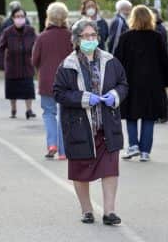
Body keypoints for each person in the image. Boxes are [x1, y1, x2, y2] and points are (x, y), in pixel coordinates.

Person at [53, 19, 128, 225]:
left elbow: (123, 84)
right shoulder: (67, 65)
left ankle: (109, 212)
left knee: (110, 168)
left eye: (93, 35)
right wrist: (84, 98)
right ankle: (87, 210)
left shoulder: (110, 61)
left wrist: (115, 95)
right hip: (80, 127)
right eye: (86, 36)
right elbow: (59, 93)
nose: (90, 39)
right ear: (77, 40)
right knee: (80, 169)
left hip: (107, 126)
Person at [114, 5, 168, 161]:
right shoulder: (157, 38)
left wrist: (115, 81)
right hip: (153, 85)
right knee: (149, 117)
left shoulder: (125, 38)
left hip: (131, 83)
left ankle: (133, 145)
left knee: (131, 115)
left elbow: (117, 61)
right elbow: (165, 61)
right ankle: (145, 152)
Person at [32, 2, 72, 160]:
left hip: (47, 80)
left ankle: (52, 144)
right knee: (64, 114)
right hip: (66, 82)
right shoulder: (70, 36)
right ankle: (63, 151)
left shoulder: (42, 37)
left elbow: (34, 60)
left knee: (49, 113)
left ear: (49, 17)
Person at [0, 7, 37, 119]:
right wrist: (0, 62)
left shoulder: (31, 31)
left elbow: (37, 45)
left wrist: (36, 59)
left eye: (22, 16)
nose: (20, 19)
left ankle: (29, 110)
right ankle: (13, 109)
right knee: (12, 88)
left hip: (27, 64)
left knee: (28, 88)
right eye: (17, 16)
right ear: (13, 18)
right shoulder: (7, 32)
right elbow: (0, 47)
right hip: (12, 64)